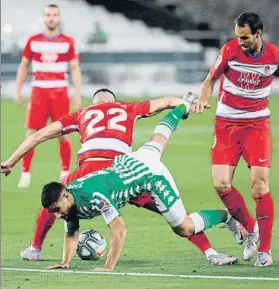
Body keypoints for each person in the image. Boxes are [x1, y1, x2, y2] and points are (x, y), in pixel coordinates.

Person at [1, 89, 243, 266]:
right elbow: (168, 101)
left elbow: (37, 136)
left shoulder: (82, 114)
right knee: (179, 220)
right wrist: (184, 106)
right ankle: (211, 251)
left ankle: (35, 248)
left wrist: (11, 161)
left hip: (88, 170)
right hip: (123, 173)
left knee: (55, 200)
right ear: (114, 101)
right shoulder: (128, 108)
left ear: (93, 103)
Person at [193, 11, 279, 267]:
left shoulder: (274, 56)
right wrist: (204, 99)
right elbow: (210, 80)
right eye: (238, 37)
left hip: (256, 125)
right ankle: (250, 229)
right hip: (227, 124)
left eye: (245, 37)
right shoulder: (229, 51)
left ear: (258, 34)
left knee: (259, 186)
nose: (240, 42)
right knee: (221, 185)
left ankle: (264, 250)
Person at [15, 4, 82, 188]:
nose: (51, 18)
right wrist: (19, 89)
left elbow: (75, 68)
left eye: (54, 15)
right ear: (43, 18)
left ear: (59, 18)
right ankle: (25, 173)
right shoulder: (33, 41)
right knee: (31, 134)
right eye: (48, 15)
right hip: (39, 92)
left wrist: (77, 93)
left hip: (60, 92)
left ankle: (65, 172)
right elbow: (24, 65)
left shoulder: (67, 42)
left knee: (62, 133)